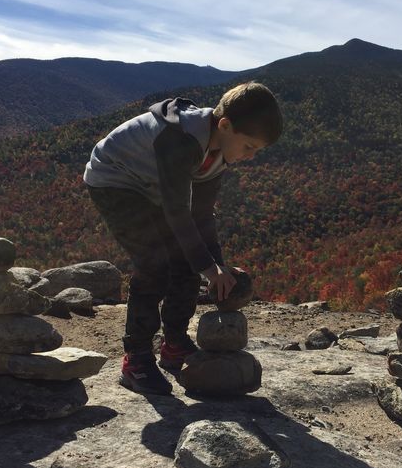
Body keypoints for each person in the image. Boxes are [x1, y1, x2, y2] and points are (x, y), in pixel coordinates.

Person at [83, 81, 283, 395]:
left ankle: (173, 343)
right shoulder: (181, 138)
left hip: (152, 189)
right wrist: (208, 266)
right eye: (249, 146)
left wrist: (217, 266)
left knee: (186, 262)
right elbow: (178, 212)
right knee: (154, 265)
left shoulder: (217, 154)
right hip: (114, 180)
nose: (251, 156)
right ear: (226, 125)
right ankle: (135, 359)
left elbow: (201, 215)